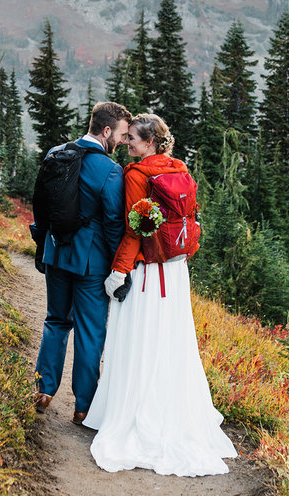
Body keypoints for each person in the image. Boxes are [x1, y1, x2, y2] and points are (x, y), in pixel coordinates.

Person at [83, 113, 237, 476]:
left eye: (133, 138)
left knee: (140, 339)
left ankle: (136, 411)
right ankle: (171, 410)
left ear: (149, 142)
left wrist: (118, 271)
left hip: (149, 272)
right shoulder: (180, 169)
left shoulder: (136, 175)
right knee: (169, 341)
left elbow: (134, 228)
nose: (127, 144)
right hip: (176, 269)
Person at [34, 101, 132, 425]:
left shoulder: (55, 153)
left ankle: (43, 389)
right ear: (106, 131)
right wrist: (121, 268)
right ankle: (83, 406)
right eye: (120, 134)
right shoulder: (110, 171)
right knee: (91, 333)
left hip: (55, 252)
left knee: (56, 320)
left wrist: (42, 246)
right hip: (91, 263)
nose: (121, 141)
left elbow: (41, 206)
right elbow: (115, 224)